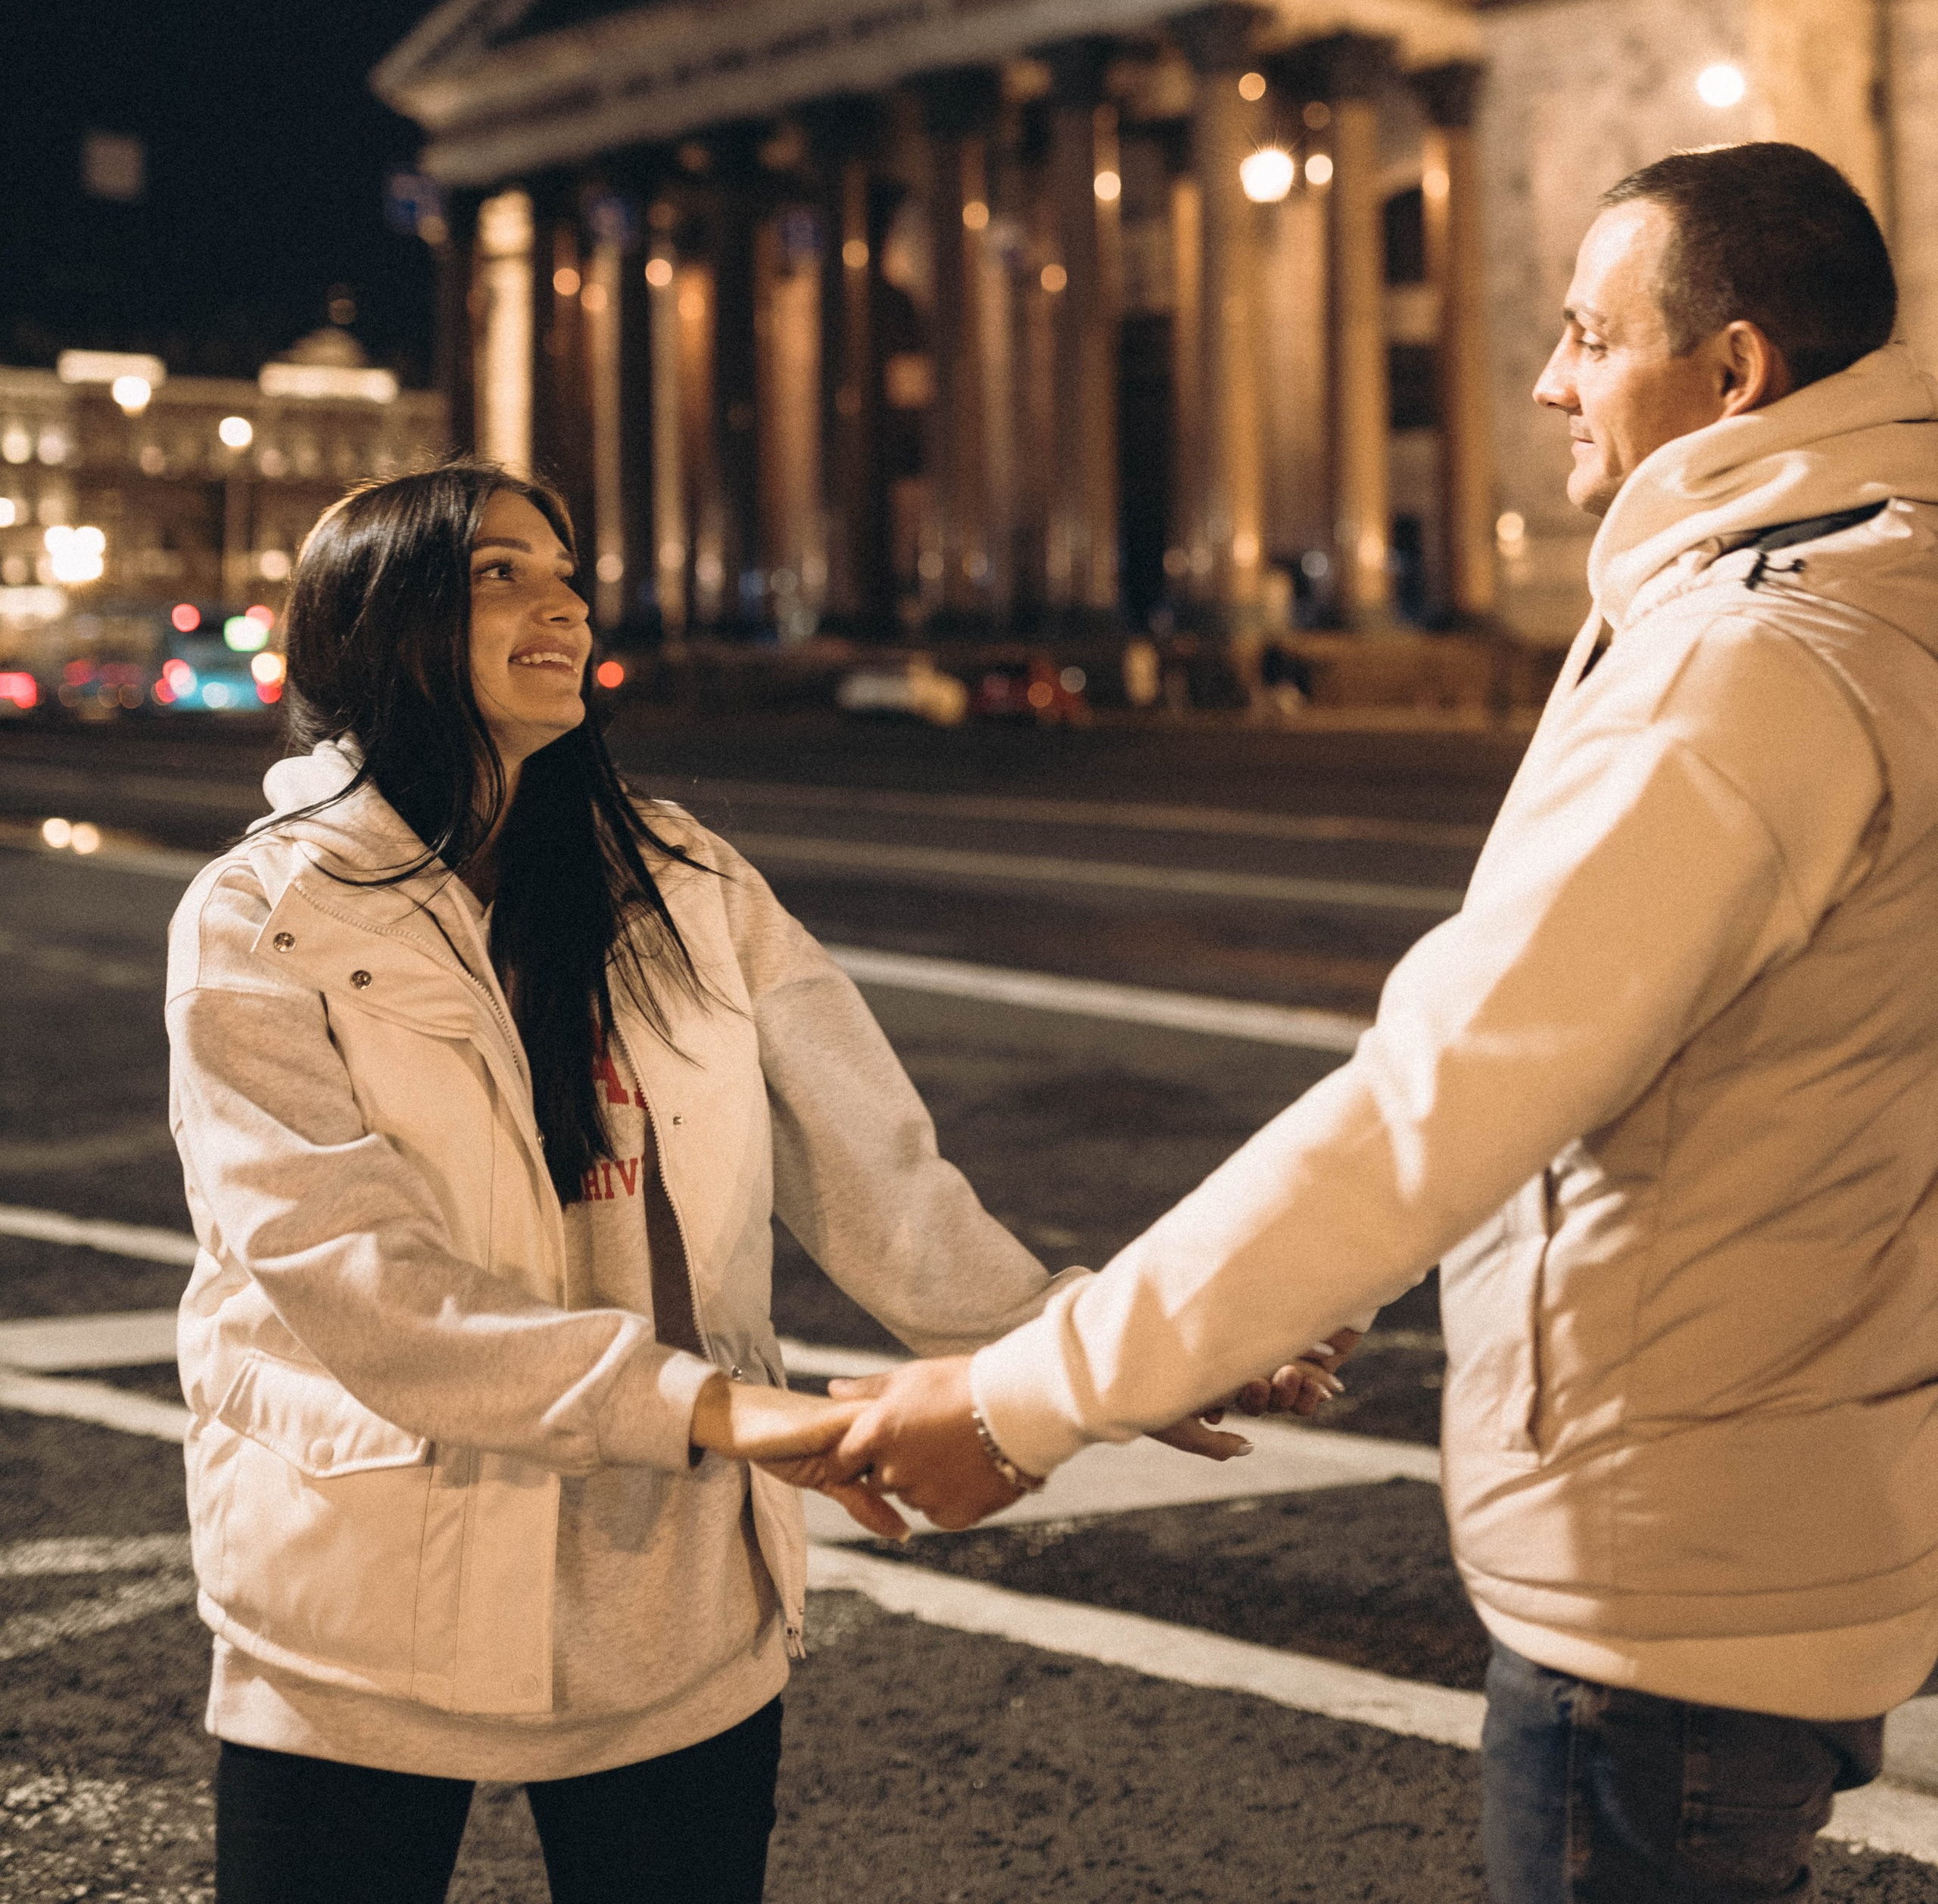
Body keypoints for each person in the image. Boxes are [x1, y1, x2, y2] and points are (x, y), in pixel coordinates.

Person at [832, 141, 1938, 1903]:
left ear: (1730, 372)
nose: (1545, 378)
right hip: (1796, 1491)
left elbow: (1448, 1092)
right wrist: (1280, 1302)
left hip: (1666, 1586)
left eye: (1586, 334)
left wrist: (1028, 1399)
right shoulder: (1870, 589)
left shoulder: (1746, 666)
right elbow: (1631, 1077)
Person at [167, 462, 1260, 1904]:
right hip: (367, 1587)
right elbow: (352, 1281)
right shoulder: (264, 916)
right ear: (377, 620)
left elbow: (883, 1180)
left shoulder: (681, 875)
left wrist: (1103, 1350)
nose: (560, 602)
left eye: (566, 571)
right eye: (499, 572)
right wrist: (706, 1406)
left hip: (664, 1587)